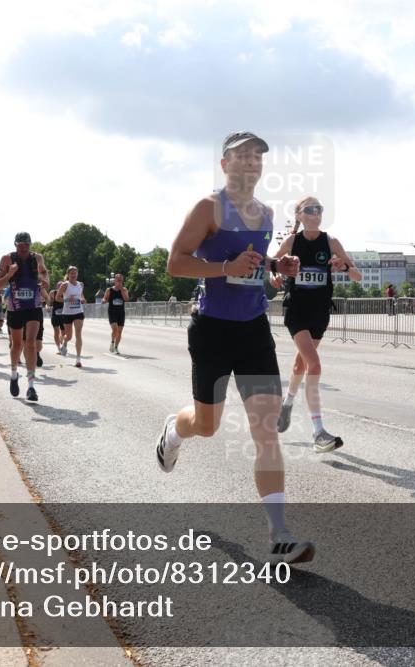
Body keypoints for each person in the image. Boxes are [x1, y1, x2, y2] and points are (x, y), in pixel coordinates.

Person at [157, 130, 312, 564]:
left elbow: (255, 265)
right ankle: (174, 430)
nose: (250, 163)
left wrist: (277, 267)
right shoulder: (207, 208)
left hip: (253, 330)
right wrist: (224, 266)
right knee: (205, 426)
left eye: (257, 157)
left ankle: (279, 534)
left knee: (265, 430)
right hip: (211, 330)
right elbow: (175, 262)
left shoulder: (264, 213)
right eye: (241, 157)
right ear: (225, 165)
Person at [271, 196, 361, 453]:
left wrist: (343, 265)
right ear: (299, 215)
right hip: (296, 310)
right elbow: (272, 265)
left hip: (320, 312)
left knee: (301, 363)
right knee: (314, 364)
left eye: (319, 209)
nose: (315, 213)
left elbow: (357, 274)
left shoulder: (331, 242)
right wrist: (275, 274)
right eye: (310, 210)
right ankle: (318, 432)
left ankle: (287, 403)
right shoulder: (292, 241)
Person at [0, 231, 49, 401]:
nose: (24, 248)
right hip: (15, 308)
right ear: (15, 245)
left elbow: (46, 280)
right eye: (21, 245)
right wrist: (9, 274)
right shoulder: (7, 259)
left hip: (33, 306)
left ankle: (31, 386)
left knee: (31, 343)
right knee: (17, 345)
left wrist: (42, 277)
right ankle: (13, 374)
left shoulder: (37, 258)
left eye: (27, 245)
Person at [58, 266, 87, 367]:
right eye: (72, 273)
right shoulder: (65, 285)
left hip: (78, 312)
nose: (74, 275)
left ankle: (78, 359)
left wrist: (83, 299)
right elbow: (57, 298)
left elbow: (81, 295)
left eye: (75, 273)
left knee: (78, 334)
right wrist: (66, 300)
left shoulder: (80, 284)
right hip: (67, 313)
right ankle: (65, 342)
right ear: (68, 274)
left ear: (77, 274)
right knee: (69, 336)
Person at [103, 274, 129, 354]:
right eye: (118, 280)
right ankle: (112, 342)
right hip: (112, 312)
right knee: (115, 329)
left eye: (121, 280)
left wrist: (122, 291)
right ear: (115, 281)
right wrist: (104, 300)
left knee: (119, 332)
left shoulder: (124, 290)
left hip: (121, 313)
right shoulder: (109, 290)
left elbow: (126, 299)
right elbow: (105, 298)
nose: (120, 282)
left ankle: (116, 347)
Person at [49, 280, 66, 354]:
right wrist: (47, 306)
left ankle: (61, 339)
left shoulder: (66, 294)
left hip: (64, 315)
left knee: (64, 332)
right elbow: (49, 303)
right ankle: (59, 348)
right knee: (56, 331)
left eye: (62, 286)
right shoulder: (53, 293)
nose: (60, 288)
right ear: (57, 287)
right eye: (59, 286)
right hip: (55, 315)